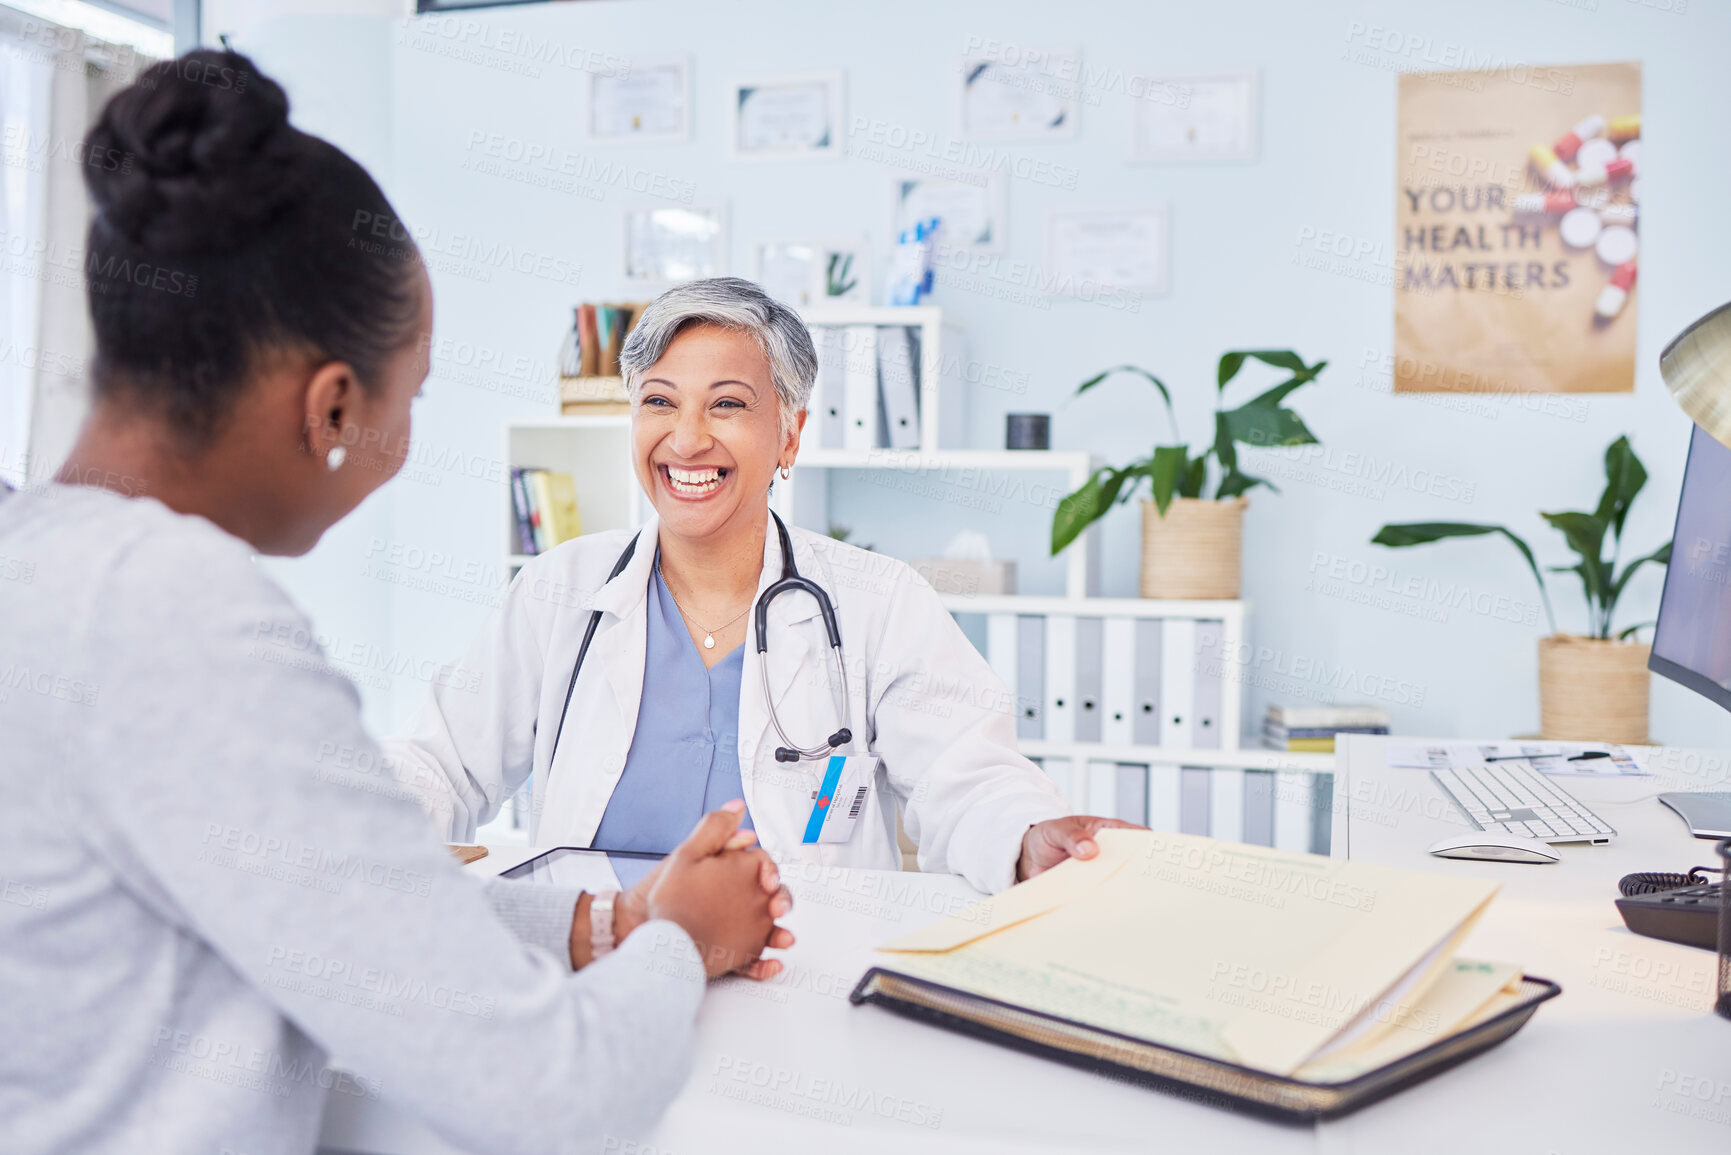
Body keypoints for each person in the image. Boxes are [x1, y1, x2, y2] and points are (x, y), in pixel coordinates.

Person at [0, 51, 791, 1155]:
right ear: (332, 408)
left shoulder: (39, 560)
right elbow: (550, 1091)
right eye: (406, 399)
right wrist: (679, 942)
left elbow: (340, 897)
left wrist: (603, 919)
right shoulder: (180, 619)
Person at [389, 278, 1138, 894]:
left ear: (789, 432)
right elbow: (440, 762)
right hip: (591, 963)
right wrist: (365, 835)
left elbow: (967, 776)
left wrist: (1026, 835)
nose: (685, 438)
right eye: (658, 401)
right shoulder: (561, 590)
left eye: (727, 404)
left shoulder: (876, 602)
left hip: (794, 970)